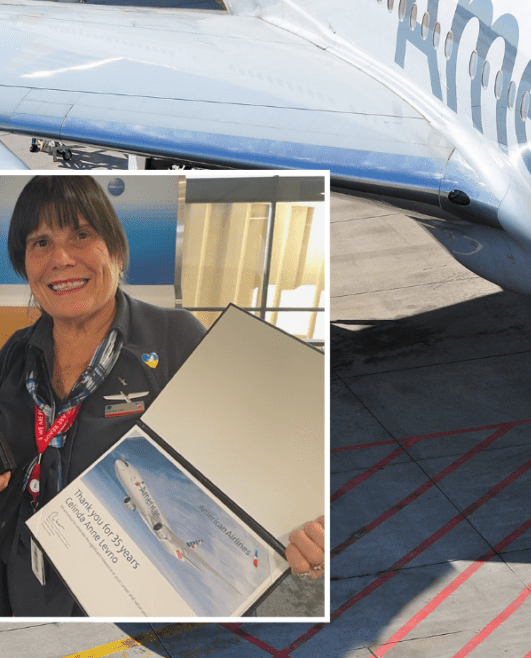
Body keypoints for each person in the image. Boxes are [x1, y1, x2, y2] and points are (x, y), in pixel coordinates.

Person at [0, 176, 323, 616]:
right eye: (40, 243)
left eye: (80, 234)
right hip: (23, 594)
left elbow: (266, 452)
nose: (61, 258)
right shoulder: (17, 352)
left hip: (137, 605)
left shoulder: (176, 338)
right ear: (24, 264)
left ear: (114, 249)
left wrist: (304, 526)